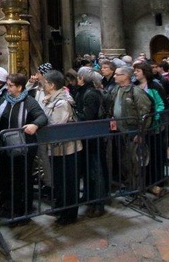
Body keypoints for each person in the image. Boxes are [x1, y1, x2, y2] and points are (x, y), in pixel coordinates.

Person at [0, 72, 48, 220]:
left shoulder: (29, 102)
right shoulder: (3, 100)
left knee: (22, 177)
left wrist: (35, 124)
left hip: (24, 146)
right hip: (6, 145)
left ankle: (23, 209)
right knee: (7, 176)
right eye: (7, 84)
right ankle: (9, 205)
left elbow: (42, 117)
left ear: (19, 87)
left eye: (11, 85)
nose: (8, 88)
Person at [40, 70, 82, 224]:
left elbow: (56, 125)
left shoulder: (62, 102)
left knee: (68, 182)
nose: (43, 85)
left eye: (45, 82)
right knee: (59, 181)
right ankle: (60, 208)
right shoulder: (52, 99)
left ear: (51, 85)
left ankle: (69, 214)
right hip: (56, 148)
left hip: (67, 148)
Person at [109, 66, 153, 189]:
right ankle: (128, 185)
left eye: (117, 74)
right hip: (119, 130)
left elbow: (145, 113)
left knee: (133, 161)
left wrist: (140, 133)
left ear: (125, 76)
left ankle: (136, 188)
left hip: (132, 131)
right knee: (123, 160)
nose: (114, 76)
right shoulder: (116, 89)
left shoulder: (136, 92)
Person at [73, 67, 107, 217]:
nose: (77, 79)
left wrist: (73, 114)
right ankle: (88, 197)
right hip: (86, 137)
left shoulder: (91, 94)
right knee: (87, 170)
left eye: (79, 77)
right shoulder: (84, 92)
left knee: (95, 170)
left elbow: (87, 117)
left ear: (83, 79)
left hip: (93, 138)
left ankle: (98, 203)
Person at [133, 61, 166, 195]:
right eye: (134, 70)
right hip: (139, 127)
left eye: (137, 71)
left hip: (153, 127)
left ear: (145, 72)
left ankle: (155, 182)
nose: (135, 73)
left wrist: (153, 119)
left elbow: (161, 104)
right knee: (140, 156)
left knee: (155, 154)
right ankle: (142, 182)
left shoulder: (155, 86)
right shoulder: (134, 86)